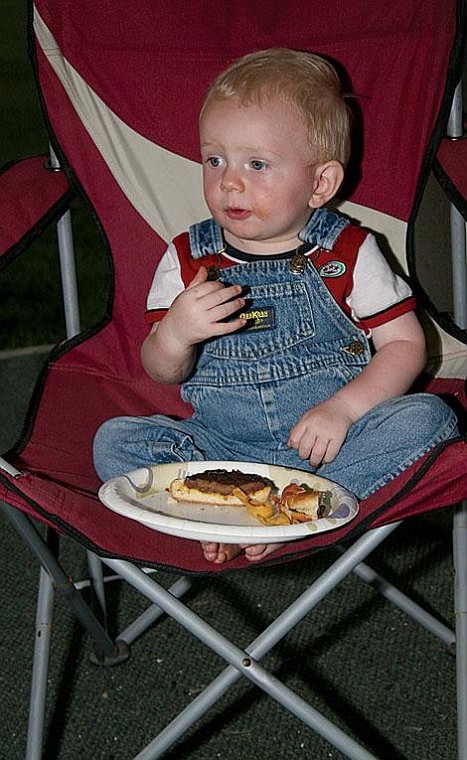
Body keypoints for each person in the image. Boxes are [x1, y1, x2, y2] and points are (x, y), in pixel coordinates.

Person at [93, 48, 458, 564]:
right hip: (217, 449)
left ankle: (299, 507)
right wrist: (176, 334)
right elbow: (162, 371)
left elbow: (404, 344)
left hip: (332, 446)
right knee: (115, 441)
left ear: (321, 183)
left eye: (257, 164)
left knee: (428, 419)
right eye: (214, 160)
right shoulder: (185, 258)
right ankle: (213, 510)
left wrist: (344, 409)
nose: (229, 181)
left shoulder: (349, 252)